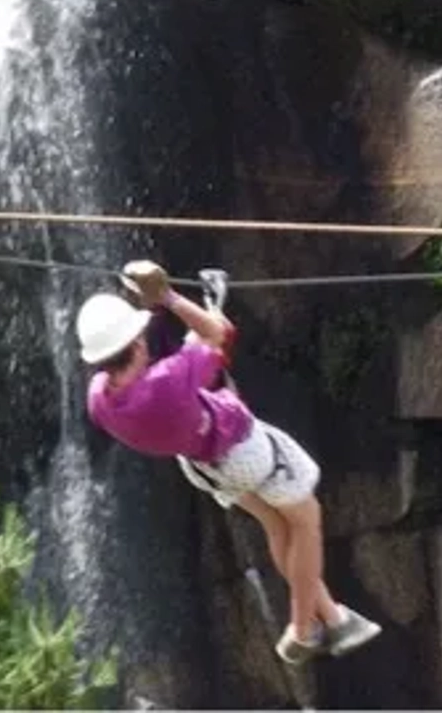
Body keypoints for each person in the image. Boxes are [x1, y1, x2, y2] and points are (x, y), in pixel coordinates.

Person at [74, 259, 381, 665]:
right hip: (242, 450)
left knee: (276, 523)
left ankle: (335, 618)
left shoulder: (100, 397)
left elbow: (146, 363)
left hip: (205, 468)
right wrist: (168, 296)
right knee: (307, 519)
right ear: (136, 344)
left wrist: (144, 307)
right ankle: (302, 631)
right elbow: (219, 334)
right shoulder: (167, 380)